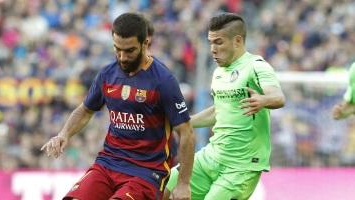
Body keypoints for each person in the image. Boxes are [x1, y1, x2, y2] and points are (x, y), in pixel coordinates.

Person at [41, 13, 195, 200]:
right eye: (117, 49)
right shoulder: (108, 74)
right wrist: (63, 134)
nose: (122, 57)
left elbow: (186, 132)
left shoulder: (163, 81)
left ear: (145, 44)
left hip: (146, 172)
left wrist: (183, 184)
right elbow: (86, 109)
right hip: (108, 164)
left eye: (129, 51)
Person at [164, 12, 285, 200]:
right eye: (210, 42)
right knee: (162, 188)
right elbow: (218, 111)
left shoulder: (257, 66)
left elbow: (278, 97)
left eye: (218, 42)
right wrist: (180, 122)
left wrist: (263, 100)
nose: (212, 48)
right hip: (213, 156)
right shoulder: (219, 72)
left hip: (241, 166)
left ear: (237, 41)